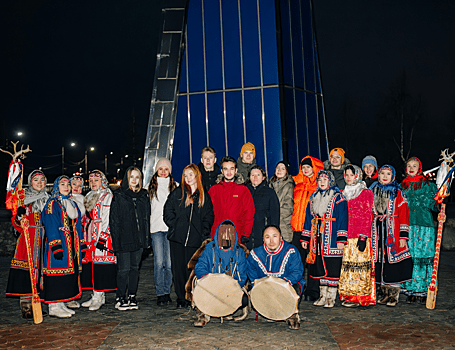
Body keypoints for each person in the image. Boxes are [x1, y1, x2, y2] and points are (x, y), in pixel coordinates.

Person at [164, 164, 214, 308]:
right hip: (177, 240)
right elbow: (168, 211)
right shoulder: (178, 193)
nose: (188, 178)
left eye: (190, 175)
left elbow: (209, 216)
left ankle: (192, 296)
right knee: (178, 270)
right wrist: (175, 226)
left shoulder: (204, 195)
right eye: (185, 176)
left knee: (192, 270)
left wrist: (204, 232)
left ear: (197, 176)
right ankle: (181, 298)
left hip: (195, 240)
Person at [41, 176, 87, 318]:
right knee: (56, 272)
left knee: (66, 273)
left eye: (68, 184)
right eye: (62, 184)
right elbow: (50, 224)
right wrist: (56, 245)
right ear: (56, 186)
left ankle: (60, 302)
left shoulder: (71, 203)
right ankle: (53, 306)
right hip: (60, 243)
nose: (66, 187)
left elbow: (78, 224)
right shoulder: (52, 204)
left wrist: (81, 243)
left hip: (71, 244)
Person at [301, 170, 348, 308]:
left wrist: (341, 239)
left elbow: (343, 219)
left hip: (332, 238)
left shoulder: (338, 198)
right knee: (320, 266)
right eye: (320, 179)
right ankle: (322, 295)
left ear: (331, 181)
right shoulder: (313, 197)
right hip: (317, 238)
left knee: (332, 267)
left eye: (325, 179)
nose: (322, 182)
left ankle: (331, 297)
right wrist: (305, 237)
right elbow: (308, 218)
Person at [6, 170, 49, 319]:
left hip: (43, 238)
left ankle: (37, 301)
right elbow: (16, 223)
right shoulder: (23, 198)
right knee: (26, 270)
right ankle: (26, 306)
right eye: (36, 180)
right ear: (30, 182)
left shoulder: (47, 198)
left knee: (41, 271)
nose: (39, 183)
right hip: (28, 239)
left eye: (42, 180)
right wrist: (19, 215)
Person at [247, 225, 305, 329]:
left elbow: (297, 272)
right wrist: (257, 284)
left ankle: (291, 313)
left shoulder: (291, 251)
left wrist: (282, 285)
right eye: (267, 237)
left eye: (275, 236)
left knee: (294, 289)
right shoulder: (255, 254)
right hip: (266, 286)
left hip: (287, 285)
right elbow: (252, 271)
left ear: (280, 237)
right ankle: (268, 311)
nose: (271, 240)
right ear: (263, 239)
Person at [192, 220, 248, 327]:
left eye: (229, 233)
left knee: (243, 298)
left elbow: (242, 274)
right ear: (218, 233)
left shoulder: (238, 251)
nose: (226, 236)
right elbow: (200, 266)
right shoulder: (210, 248)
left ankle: (226, 311)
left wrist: (229, 286)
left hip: (230, 289)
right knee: (199, 290)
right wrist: (210, 281)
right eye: (223, 232)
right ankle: (203, 314)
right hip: (210, 287)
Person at [371, 165, 412, 307]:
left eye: (388, 174)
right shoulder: (373, 190)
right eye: (382, 173)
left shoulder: (398, 192)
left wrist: (403, 236)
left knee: (393, 262)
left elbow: (404, 215)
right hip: (377, 230)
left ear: (393, 176)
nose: (385, 176)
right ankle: (384, 292)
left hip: (392, 231)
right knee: (381, 262)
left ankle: (394, 294)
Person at [110, 167, 151, 310]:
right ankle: (120, 297)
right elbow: (114, 221)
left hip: (139, 240)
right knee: (123, 270)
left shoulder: (144, 196)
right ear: (127, 179)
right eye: (131, 177)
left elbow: (146, 220)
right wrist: (116, 242)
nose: (134, 180)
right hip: (124, 239)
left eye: (137, 177)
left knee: (134, 269)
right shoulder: (119, 196)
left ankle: (132, 296)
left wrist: (146, 240)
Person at [401, 157, 437, 304]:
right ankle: (411, 290)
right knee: (410, 257)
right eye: (409, 165)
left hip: (424, 226)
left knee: (423, 258)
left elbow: (435, 205)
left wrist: (441, 205)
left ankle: (423, 290)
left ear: (419, 168)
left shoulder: (429, 186)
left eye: (414, 166)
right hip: (407, 226)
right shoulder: (402, 186)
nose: (411, 168)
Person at [338, 165, 376, 307]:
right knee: (348, 267)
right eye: (346, 175)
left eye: (351, 175)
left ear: (357, 176)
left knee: (359, 267)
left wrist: (363, 236)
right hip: (346, 235)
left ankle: (361, 297)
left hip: (359, 236)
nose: (348, 177)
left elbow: (367, 215)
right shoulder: (342, 193)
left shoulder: (365, 192)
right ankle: (348, 295)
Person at [80, 170, 117, 311]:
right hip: (90, 233)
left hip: (102, 233)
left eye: (96, 180)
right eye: (91, 181)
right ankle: (96, 295)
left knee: (100, 266)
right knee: (92, 266)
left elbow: (107, 218)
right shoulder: (90, 195)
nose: (93, 183)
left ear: (102, 181)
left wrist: (102, 238)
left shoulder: (107, 196)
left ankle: (99, 297)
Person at [291, 156, 324, 301]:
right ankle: (297, 288)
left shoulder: (319, 186)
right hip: (297, 229)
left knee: (313, 261)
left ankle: (312, 290)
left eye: (308, 167)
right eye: (303, 167)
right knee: (298, 261)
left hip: (313, 230)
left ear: (315, 168)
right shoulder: (297, 185)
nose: (305, 169)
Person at [148, 158, 178, 306]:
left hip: (171, 229)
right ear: (156, 170)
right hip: (155, 229)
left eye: (166, 169)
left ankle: (167, 290)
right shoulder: (149, 188)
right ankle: (161, 293)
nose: (164, 171)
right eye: (161, 169)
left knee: (170, 263)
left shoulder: (176, 187)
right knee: (159, 262)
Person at [208, 156, 255, 241]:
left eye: (232, 169)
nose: (229, 172)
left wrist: (246, 234)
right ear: (221, 171)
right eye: (226, 169)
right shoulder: (214, 190)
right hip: (217, 236)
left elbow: (249, 213)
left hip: (237, 235)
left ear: (236, 170)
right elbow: (207, 213)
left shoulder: (243, 190)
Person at [65, 175, 86, 310]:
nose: (77, 188)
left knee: (76, 268)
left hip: (78, 237)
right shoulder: (63, 200)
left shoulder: (84, 200)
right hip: (66, 237)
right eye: (74, 185)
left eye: (79, 185)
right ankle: (64, 296)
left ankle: (73, 295)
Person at [246, 165, 280, 250]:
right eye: (252, 175)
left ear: (263, 177)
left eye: (258, 175)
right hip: (247, 235)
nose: (255, 177)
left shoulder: (270, 193)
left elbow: (275, 214)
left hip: (263, 232)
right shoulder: (245, 191)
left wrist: (273, 234)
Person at [269, 161, 295, 243]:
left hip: (283, 225)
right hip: (271, 226)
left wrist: (274, 217)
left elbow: (288, 208)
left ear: (287, 171)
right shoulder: (270, 184)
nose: (279, 170)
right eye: (278, 168)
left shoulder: (289, 185)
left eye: (283, 169)